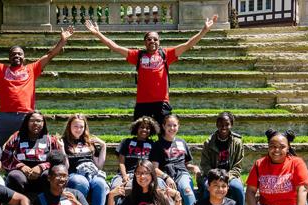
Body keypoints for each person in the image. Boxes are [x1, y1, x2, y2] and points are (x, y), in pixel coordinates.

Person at [85, 16, 218, 124]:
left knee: (164, 135)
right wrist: (98, 33)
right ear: (145, 42)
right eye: (149, 39)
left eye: (155, 39)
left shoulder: (166, 54)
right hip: (143, 102)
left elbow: (188, 44)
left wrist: (204, 31)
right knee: (141, 136)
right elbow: (115, 47)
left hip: (162, 103)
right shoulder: (138, 55)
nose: (152, 41)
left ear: (159, 42)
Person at [0, 25, 74, 144]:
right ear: (9, 57)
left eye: (19, 54)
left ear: (24, 57)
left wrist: (63, 40)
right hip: (5, 116)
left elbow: (50, 55)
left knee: (27, 146)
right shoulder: (1, 69)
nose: (16, 56)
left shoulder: (32, 69)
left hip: (26, 116)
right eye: (13, 54)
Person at [60, 114, 108, 205]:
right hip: (74, 174)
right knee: (81, 181)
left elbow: (99, 165)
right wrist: (62, 150)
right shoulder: (64, 142)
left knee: (100, 183)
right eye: (75, 126)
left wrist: (104, 146)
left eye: (81, 127)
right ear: (69, 127)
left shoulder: (89, 142)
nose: (78, 129)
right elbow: (65, 167)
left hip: (92, 173)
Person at [1, 111, 62, 195]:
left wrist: (41, 167)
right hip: (21, 173)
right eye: (32, 120)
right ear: (26, 122)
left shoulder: (51, 140)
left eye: (39, 121)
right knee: (15, 176)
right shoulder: (17, 137)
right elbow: (5, 159)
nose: (35, 123)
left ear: (43, 123)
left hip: (42, 173)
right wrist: (20, 166)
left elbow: (57, 161)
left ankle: (46, 204)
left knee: (48, 176)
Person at [150, 114, 200, 205]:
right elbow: (154, 168)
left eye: (174, 125)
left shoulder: (182, 142)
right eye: (169, 125)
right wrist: (166, 177)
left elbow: (186, 164)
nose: (172, 128)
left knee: (187, 190)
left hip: (182, 174)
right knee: (161, 190)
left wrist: (194, 167)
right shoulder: (157, 145)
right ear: (163, 126)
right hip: (164, 175)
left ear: (178, 126)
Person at [199, 111, 245, 205]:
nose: (224, 127)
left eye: (227, 124)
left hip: (230, 175)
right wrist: (214, 176)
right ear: (217, 125)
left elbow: (237, 165)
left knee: (238, 188)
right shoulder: (208, 142)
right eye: (221, 124)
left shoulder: (237, 143)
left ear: (231, 125)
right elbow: (204, 164)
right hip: (212, 175)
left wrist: (227, 177)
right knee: (208, 187)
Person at [110, 116, 160, 191]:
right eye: (142, 127)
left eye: (147, 128)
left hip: (145, 175)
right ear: (136, 128)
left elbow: (153, 165)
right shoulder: (126, 142)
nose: (144, 130)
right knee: (116, 189)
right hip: (126, 174)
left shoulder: (153, 144)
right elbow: (121, 162)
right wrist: (124, 176)